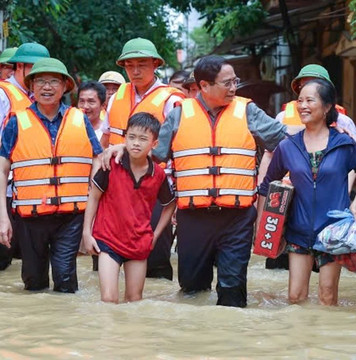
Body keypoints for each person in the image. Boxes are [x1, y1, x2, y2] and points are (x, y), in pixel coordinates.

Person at [102, 55, 293, 307]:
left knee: (232, 291)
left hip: (237, 218)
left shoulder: (248, 111)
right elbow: (155, 153)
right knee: (193, 292)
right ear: (204, 86)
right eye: (227, 83)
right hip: (192, 219)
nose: (234, 88)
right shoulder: (180, 114)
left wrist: (320, 134)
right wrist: (121, 149)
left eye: (235, 81)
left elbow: (287, 144)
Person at [258, 79, 356, 305]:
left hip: (334, 232)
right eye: (299, 100)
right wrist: (264, 229)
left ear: (327, 106)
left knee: (328, 296)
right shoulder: (287, 146)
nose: (302, 105)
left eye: (310, 100)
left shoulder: (343, 143)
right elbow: (267, 186)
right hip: (298, 231)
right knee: (295, 297)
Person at [0, 57, 102, 292]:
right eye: (41, 81)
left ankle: (66, 327)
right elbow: (2, 168)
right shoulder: (16, 122)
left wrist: (93, 207)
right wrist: (3, 217)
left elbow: (98, 158)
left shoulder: (79, 119)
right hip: (29, 217)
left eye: (54, 81)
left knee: (66, 281)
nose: (47, 87)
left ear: (65, 86)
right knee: (33, 282)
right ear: (32, 87)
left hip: (70, 217)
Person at [100, 37, 184, 280]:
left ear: (155, 64)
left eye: (142, 64)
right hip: (116, 187)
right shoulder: (116, 97)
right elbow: (106, 141)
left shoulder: (172, 100)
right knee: (110, 252)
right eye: (129, 65)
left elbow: (176, 148)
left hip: (153, 187)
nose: (135, 71)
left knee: (155, 256)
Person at [261, 64, 356, 270]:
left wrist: (346, 197)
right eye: (304, 86)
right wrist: (263, 199)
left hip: (327, 203)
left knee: (325, 266)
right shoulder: (283, 118)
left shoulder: (344, 123)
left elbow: (353, 165)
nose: (308, 92)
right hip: (289, 201)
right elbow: (269, 158)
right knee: (279, 263)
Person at [83, 112, 175, 303]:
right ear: (124, 139)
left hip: (139, 243)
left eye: (143, 139)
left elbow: (170, 205)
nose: (136, 143)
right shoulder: (111, 165)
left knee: (135, 299)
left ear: (154, 144)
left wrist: (155, 236)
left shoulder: (157, 175)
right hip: (108, 239)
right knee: (108, 299)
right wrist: (86, 232)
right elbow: (93, 196)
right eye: (131, 137)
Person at [0, 42, 50, 271]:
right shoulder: (4, 95)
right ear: (20, 66)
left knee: (20, 259)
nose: (41, 78)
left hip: (25, 192)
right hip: (5, 189)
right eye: (36, 70)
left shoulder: (35, 98)